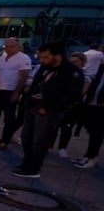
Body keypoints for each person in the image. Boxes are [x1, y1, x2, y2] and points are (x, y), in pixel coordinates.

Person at [12, 41, 85, 178]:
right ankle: (27, 163)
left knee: (40, 140)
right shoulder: (45, 67)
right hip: (32, 106)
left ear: (57, 56)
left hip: (48, 111)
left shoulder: (71, 71)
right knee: (26, 137)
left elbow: (72, 95)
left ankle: (34, 169)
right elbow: (35, 84)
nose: (42, 60)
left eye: (46, 57)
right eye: (41, 57)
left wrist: (49, 108)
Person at [0, 37, 32, 149]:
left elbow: (24, 76)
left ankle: (5, 140)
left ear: (17, 46)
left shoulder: (23, 58)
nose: (8, 48)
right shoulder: (2, 57)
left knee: (9, 118)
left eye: (11, 46)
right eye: (6, 46)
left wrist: (16, 93)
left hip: (11, 91)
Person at [72, 48, 104, 169]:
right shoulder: (99, 69)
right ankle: (88, 155)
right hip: (91, 104)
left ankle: (92, 157)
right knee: (92, 131)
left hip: (100, 107)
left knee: (97, 133)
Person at [54, 52, 89, 157]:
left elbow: (81, 92)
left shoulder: (86, 75)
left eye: (76, 62)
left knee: (67, 128)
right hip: (60, 104)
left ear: (82, 62)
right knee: (54, 126)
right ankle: (49, 145)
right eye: (71, 61)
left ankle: (62, 148)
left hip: (73, 105)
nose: (73, 64)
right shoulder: (65, 73)